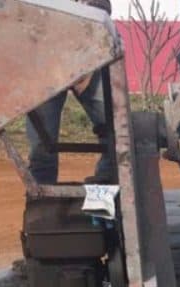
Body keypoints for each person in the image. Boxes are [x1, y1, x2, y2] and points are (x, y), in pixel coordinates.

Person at [25, 0, 115, 184]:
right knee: (41, 145)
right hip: (44, 55)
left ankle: (105, 190)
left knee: (117, 131)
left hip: (89, 51)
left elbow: (102, 7)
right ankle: (42, 197)